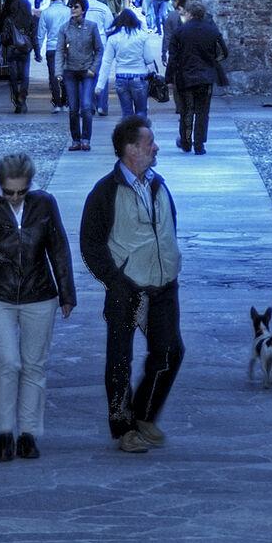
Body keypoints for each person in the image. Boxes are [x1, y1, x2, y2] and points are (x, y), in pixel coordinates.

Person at [80, 115, 184, 452]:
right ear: (130, 149)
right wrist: (115, 279)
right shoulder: (104, 192)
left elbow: (169, 227)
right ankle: (123, 428)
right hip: (127, 288)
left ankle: (144, 414)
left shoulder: (158, 184)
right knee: (120, 359)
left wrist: (169, 261)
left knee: (170, 351)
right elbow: (90, 243)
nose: (156, 148)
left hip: (164, 283)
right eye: (149, 143)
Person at [0, 152, 77, 460]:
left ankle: (27, 433)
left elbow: (59, 248)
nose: (15, 198)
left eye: (21, 192)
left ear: (30, 185)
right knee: (7, 362)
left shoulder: (45, 204)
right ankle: (4, 432)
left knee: (34, 365)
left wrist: (67, 293)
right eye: (8, 192)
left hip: (39, 294)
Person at [166, 0, 229, 154]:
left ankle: (186, 141)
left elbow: (173, 57)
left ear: (189, 14)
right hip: (205, 77)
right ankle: (199, 144)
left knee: (187, 111)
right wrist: (212, 62)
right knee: (202, 112)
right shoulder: (212, 31)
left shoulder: (179, 32)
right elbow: (224, 53)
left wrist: (169, 78)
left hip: (185, 77)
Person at [54, 0, 104, 151]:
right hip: (70, 72)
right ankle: (76, 139)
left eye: (76, 7)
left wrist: (93, 68)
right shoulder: (64, 28)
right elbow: (60, 50)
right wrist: (58, 71)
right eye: (71, 7)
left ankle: (86, 138)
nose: (72, 9)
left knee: (86, 106)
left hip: (87, 71)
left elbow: (99, 49)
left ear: (83, 10)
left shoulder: (92, 27)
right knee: (73, 108)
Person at [96, 7, 162, 123]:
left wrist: (100, 85)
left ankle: (128, 138)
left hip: (121, 78)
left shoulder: (113, 38)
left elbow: (106, 62)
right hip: (139, 78)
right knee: (141, 111)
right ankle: (141, 137)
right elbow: (148, 58)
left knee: (126, 113)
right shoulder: (142, 36)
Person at [0, 0, 37, 115]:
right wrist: (37, 51)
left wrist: (5, 45)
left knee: (13, 76)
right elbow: (34, 35)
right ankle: (23, 96)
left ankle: (17, 99)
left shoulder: (9, 19)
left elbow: (4, 36)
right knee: (25, 75)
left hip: (12, 48)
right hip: (25, 48)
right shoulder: (29, 18)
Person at [82, 0, 115, 113]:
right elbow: (110, 27)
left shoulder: (80, 6)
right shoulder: (103, 7)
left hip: (83, 42)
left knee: (86, 73)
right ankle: (102, 105)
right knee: (102, 73)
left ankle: (89, 104)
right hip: (101, 42)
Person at [38, 0, 71, 109]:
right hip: (66, 46)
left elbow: (41, 33)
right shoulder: (68, 12)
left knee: (53, 75)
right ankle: (65, 100)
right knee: (66, 73)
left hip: (51, 47)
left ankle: (56, 102)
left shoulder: (46, 12)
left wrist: (38, 50)